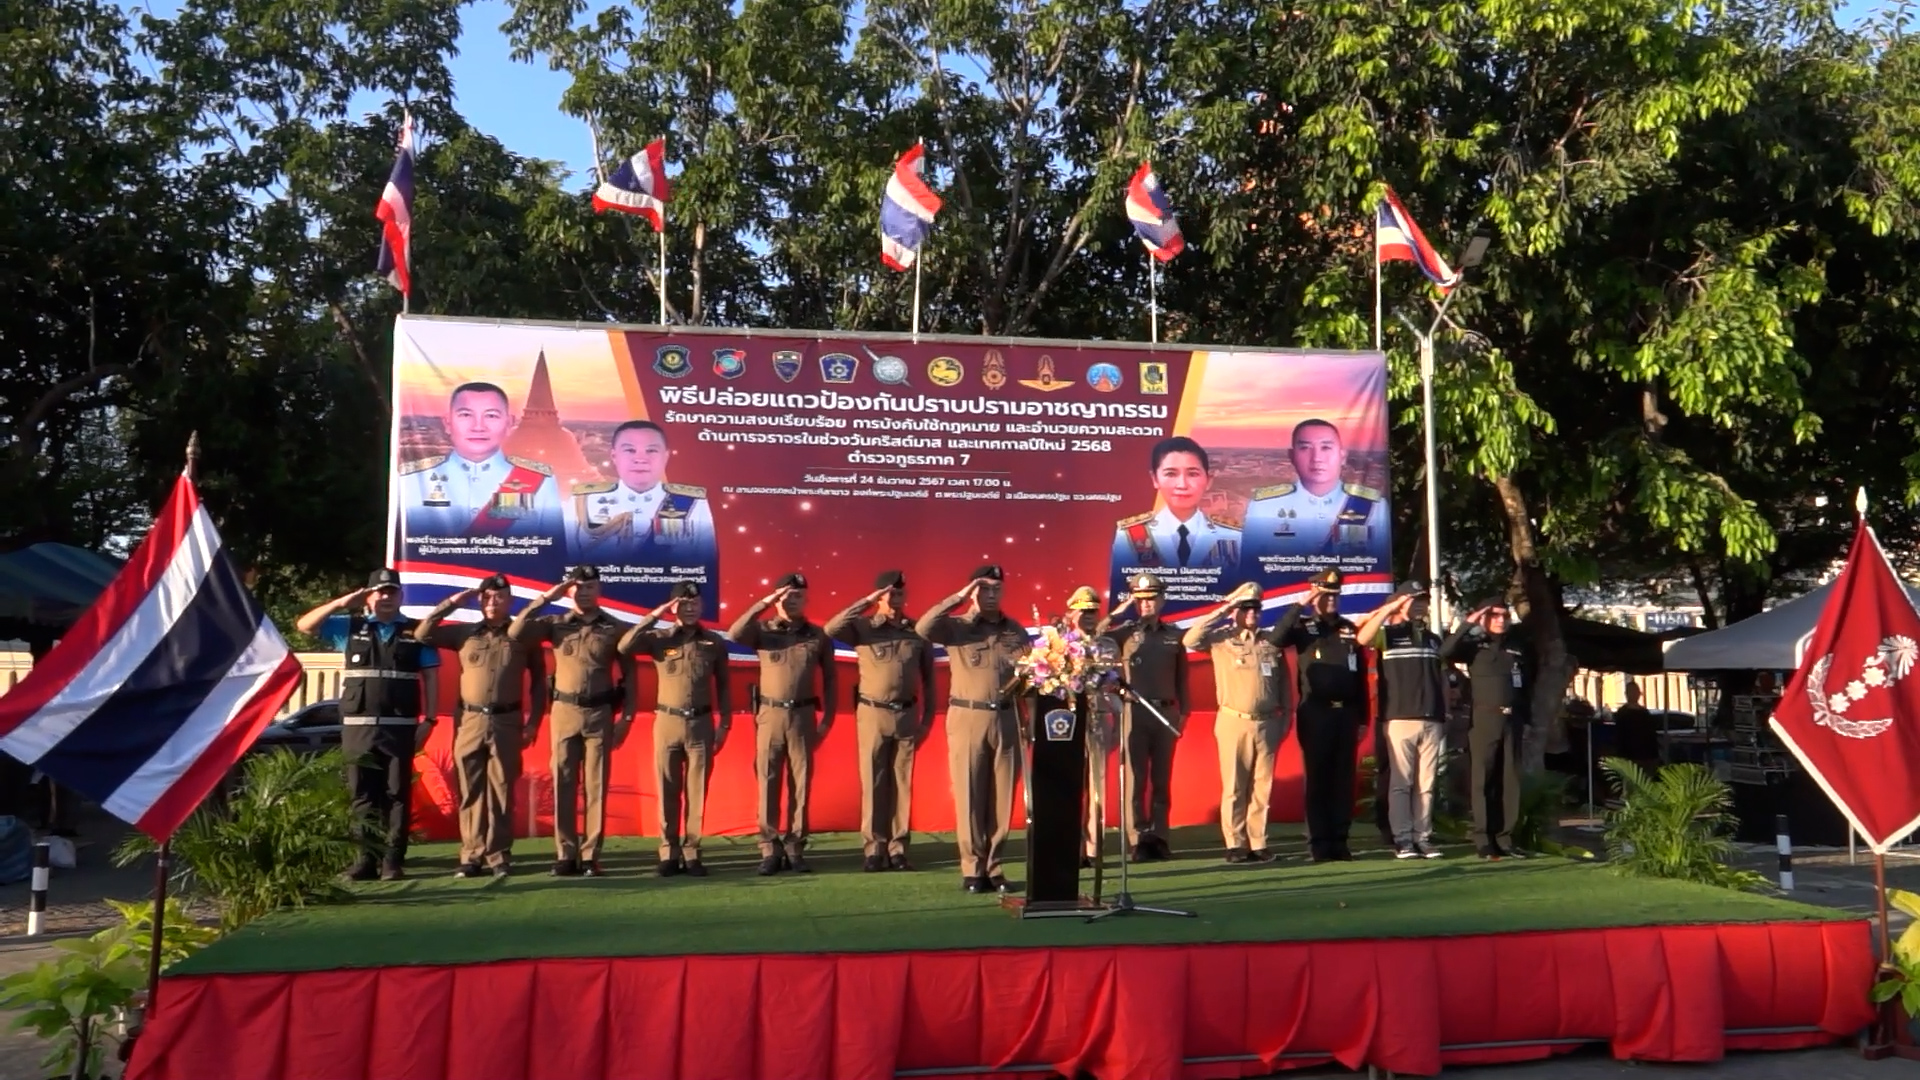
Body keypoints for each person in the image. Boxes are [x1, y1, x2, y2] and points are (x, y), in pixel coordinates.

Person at [294, 569, 440, 880]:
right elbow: (304, 625)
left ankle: (392, 861)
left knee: (397, 794)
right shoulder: (350, 627)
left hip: (399, 726)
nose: (386, 597)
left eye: (392, 592)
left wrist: (429, 720)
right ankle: (364, 860)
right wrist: (342, 602)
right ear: (369, 596)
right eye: (380, 592)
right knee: (362, 793)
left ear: (401, 596)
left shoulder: (417, 630)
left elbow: (431, 677)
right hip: (358, 727)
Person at [415, 574, 547, 878]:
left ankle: (498, 856)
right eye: (486, 597)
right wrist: (452, 603)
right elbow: (423, 634)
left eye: (499, 596)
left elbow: (540, 682)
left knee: (501, 790)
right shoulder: (464, 633)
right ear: (479, 600)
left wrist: (533, 723)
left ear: (509, 600)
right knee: (470, 790)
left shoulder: (522, 635)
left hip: (507, 721)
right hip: (470, 722)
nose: (492, 602)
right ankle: (471, 856)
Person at [511, 566, 634, 877]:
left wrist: (627, 718)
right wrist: (546, 598)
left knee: (596, 785)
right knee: (563, 783)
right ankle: (565, 853)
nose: (584, 592)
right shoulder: (556, 624)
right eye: (577, 587)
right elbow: (516, 632)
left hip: (600, 713)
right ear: (568, 591)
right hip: (564, 712)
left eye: (590, 586)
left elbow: (631, 676)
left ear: (599, 589)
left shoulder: (615, 627)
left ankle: (591, 855)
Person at [918, 567, 1030, 894]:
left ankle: (994, 867)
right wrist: (961, 596)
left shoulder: (1015, 631)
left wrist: (1029, 721)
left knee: (1002, 797)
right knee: (970, 793)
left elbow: (1029, 677)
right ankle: (972, 868)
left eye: (996, 589)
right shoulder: (957, 627)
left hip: (1007, 717)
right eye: (984, 589)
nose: (991, 595)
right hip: (968, 716)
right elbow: (924, 627)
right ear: (974, 592)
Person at [825, 571, 936, 872]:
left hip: (907, 713)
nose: (895, 597)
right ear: (879, 596)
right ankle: (874, 849)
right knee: (873, 780)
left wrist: (927, 721)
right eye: (889, 592)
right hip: (873, 713)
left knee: (902, 782)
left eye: (899, 592)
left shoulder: (917, 631)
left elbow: (929, 680)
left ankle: (898, 849)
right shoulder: (863, 628)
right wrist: (867, 602)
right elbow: (832, 628)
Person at [620, 581, 732, 877]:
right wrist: (657, 614)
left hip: (701, 724)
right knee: (667, 788)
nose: (690, 608)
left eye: (695, 603)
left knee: (696, 792)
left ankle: (692, 853)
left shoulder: (713, 642)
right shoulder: (659, 639)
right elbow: (625, 645)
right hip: (667, 722)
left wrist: (725, 724)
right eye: (683, 604)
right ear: (673, 607)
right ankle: (668, 852)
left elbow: (724, 686)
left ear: (702, 606)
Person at [729, 572, 837, 875]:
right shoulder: (762, 631)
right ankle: (769, 848)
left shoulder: (817, 635)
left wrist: (827, 720)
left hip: (803, 716)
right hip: (770, 715)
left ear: (806, 599)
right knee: (768, 779)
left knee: (800, 784)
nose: (792, 601)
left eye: (798, 596)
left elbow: (830, 680)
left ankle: (795, 847)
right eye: (786, 596)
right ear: (776, 598)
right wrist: (765, 603)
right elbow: (735, 633)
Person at [1183, 582, 1290, 862]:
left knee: (1262, 786)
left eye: (1255, 608)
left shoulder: (1269, 641)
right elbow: (1190, 640)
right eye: (1245, 608)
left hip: (1268, 722)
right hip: (1234, 721)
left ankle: (1258, 842)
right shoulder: (1222, 639)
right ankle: (1235, 843)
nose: (1252, 613)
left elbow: (1284, 683)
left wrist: (1287, 716)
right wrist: (1225, 609)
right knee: (1234, 786)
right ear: (1235, 611)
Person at [1272, 569, 1370, 862]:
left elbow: (1360, 677)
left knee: (1343, 780)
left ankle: (1340, 841)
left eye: (1335, 595)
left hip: (1346, 714)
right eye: (1325, 595)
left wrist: (1363, 718)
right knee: (1318, 779)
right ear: (1315, 595)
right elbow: (1276, 638)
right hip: (1316, 713)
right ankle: (1318, 843)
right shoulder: (1304, 627)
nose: (1331, 600)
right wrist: (1300, 604)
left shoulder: (1348, 628)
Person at [1097, 572, 1189, 862]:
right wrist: (1117, 612)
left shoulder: (1174, 634)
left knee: (1162, 779)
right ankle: (1137, 838)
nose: (1146, 604)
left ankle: (1160, 837)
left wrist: (1184, 711)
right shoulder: (1125, 632)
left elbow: (1182, 678)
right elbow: (1094, 638)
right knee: (1135, 779)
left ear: (1161, 600)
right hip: (1134, 711)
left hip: (1165, 712)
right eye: (1140, 599)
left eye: (1151, 599)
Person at [1355, 581, 1448, 859]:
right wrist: (1391, 608)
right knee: (1401, 783)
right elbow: (1363, 638)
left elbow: (1442, 678)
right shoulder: (1388, 635)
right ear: (1400, 602)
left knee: (1426, 785)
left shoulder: (1433, 639)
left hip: (1431, 719)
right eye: (1413, 600)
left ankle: (1423, 837)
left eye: (1423, 600)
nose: (1420, 605)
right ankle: (1403, 839)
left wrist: (1444, 713)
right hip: (1399, 718)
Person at [399, 382, 561, 540]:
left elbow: (553, 551)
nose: (478, 427)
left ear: (509, 423)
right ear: (447, 423)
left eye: (491, 416)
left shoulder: (540, 482)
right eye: (466, 415)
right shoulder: (412, 480)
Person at [1442, 600, 1533, 860]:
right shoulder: (1474, 645)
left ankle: (1505, 838)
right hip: (1484, 717)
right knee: (1483, 779)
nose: (1500, 620)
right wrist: (1469, 623)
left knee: (1510, 780)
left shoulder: (1516, 646)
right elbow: (1444, 651)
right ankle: (1483, 838)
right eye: (1494, 615)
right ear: (1484, 618)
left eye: (1504, 615)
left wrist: (1526, 720)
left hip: (1512, 718)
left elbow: (1525, 685)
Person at [565, 420, 715, 566]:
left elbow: (705, 567)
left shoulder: (694, 505)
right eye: (630, 450)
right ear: (614, 456)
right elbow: (566, 563)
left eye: (651, 450)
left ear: (665, 457)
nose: (640, 459)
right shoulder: (583, 501)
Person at [1241, 419, 1386, 563]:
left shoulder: (1374, 507)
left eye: (1326, 448)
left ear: (1343, 456)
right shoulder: (1264, 507)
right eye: (1305, 448)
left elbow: (1379, 567)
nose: (1316, 458)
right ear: (1292, 456)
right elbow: (1250, 568)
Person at [1112, 436, 1240, 572]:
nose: (1182, 485)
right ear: (1155, 479)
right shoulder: (1132, 535)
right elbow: (1122, 584)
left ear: (1208, 480)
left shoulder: (1233, 535)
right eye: (1171, 474)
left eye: (1192, 474)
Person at [1060, 586, 1118, 866]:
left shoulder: (1108, 646)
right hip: (1068, 721)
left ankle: (1094, 848)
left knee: (1098, 785)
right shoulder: (1058, 645)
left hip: (1098, 718)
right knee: (1070, 785)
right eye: (1083, 611)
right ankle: (1071, 846)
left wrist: (1117, 720)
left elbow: (1115, 685)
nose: (1089, 616)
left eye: (1093, 611)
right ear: (1072, 613)